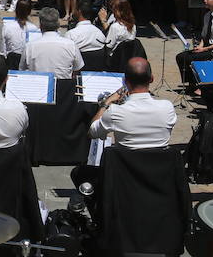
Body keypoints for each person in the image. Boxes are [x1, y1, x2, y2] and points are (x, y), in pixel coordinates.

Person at [71, 57, 177, 202]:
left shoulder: (115, 111)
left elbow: (92, 131)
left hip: (126, 175)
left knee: (79, 173)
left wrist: (106, 103)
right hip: (158, 174)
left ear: (125, 81)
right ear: (151, 79)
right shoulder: (167, 108)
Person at [175, 0, 213, 87]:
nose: (204, 1)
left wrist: (204, 49)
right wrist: (200, 46)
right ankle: (192, 83)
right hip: (205, 47)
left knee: (191, 58)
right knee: (181, 56)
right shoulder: (207, 15)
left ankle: (196, 85)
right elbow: (204, 36)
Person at [20, 7, 84, 78]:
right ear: (58, 25)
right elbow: (78, 68)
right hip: (63, 88)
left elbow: (22, 70)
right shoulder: (71, 45)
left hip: (39, 86)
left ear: (41, 25)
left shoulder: (29, 46)